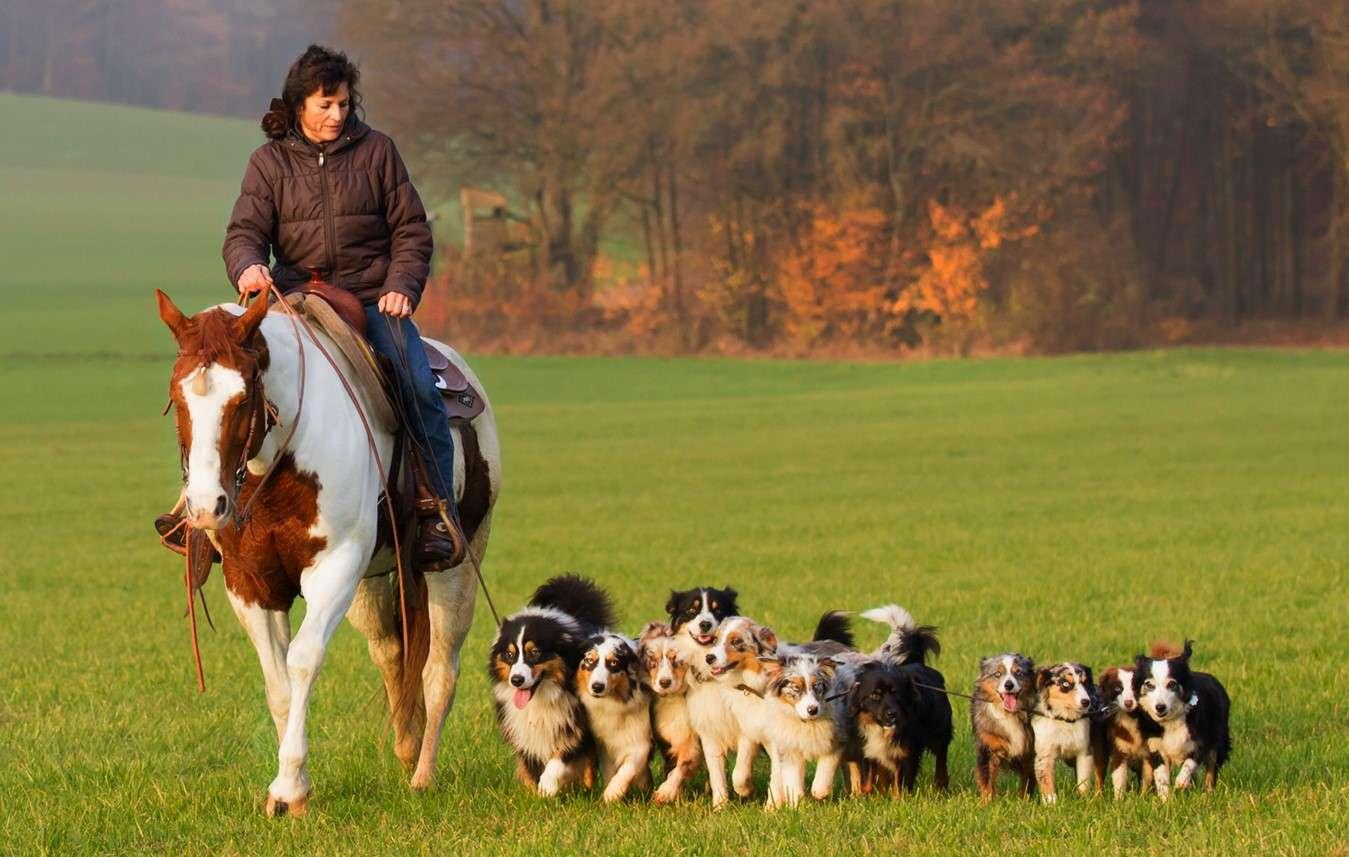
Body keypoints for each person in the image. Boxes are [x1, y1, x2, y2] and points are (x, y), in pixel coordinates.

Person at [157, 44, 465, 569]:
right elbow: (244, 233)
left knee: (416, 383)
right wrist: (248, 266)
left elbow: (412, 231)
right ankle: (195, 510)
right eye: (325, 104)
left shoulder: (378, 153)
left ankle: (436, 510)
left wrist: (401, 286)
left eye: (344, 104)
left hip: (372, 300)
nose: (336, 115)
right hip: (292, 299)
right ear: (299, 104)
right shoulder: (269, 163)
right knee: (219, 386)